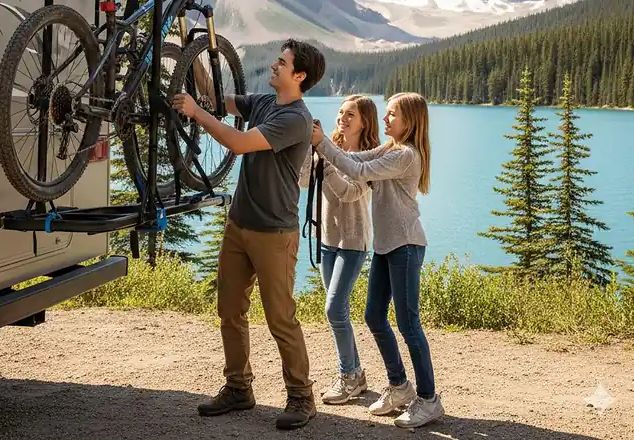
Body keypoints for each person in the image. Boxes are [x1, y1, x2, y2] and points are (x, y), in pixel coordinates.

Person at [172, 38, 326, 431]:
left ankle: (301, 397)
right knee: (230, 311)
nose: (274, 66)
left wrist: (195, 114)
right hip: (239, 225)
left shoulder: (297, 119)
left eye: (282, 62)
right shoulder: (263, 102)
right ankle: (239, 388)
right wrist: (190, 52)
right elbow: (212, 96)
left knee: (280, 319)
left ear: (300, 75)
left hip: (275, 233)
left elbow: (239, 143)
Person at [311, 92, 445, 429]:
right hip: (386, 247)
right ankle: (400, 387)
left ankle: (429, 400)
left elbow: (357, 169)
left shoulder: (406, 155)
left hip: (406, 245)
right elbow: (352, 158)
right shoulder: (389, 148)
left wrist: (322, 143)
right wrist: (322, 142)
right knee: (373, 316)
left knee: (408, 324)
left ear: (409, 120)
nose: (385, 120)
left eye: (391, 115)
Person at [299, 94, 379, 405]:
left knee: (334, 309)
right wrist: (310, 149)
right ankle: (354, 375)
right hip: (326, 240)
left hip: (353, 243)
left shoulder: (370, 158)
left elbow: (348, 193)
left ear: (364, 122)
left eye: (350, 115)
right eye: (341, 113)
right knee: (339, 311)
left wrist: (327, 158)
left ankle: (348, 375)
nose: (342, 119)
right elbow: (305, 181)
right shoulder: (328, 148)